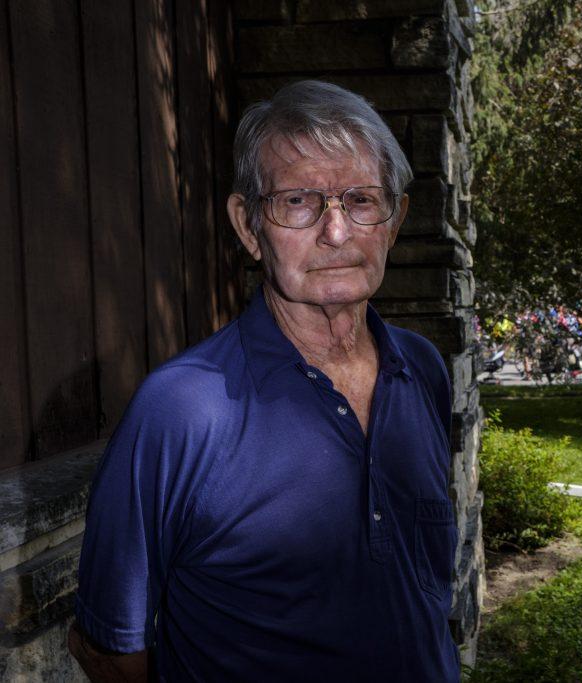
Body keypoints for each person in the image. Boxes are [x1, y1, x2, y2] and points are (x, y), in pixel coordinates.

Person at [69, 81, 460, 682]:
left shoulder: (422, 368)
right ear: (248, 227)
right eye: (298, 202)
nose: (336, 233)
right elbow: (108, 649)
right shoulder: (182, 410)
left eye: (360, 200)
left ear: (396, 220)